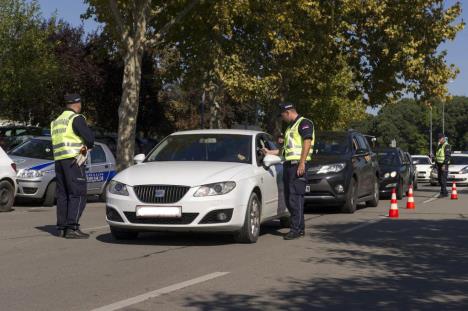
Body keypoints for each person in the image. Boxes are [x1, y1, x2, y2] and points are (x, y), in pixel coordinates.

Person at [263, 103, 314, 240]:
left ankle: (295, 229)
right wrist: (269, 152)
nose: (282, 119)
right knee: (292, 198)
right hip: (289, 165)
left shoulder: (304, 123)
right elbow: (285, 150)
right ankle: (300, 227)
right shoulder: (290, 127)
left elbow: (307, 142)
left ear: (288, 112)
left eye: (282, 116)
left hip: (297, 165)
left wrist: (302, 162)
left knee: (294, 198)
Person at [51, 93, 94, 238]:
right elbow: (90, 139)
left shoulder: (56, 121)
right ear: (77, 104)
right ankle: (72, 228)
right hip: (73, 161)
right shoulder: (76, 118)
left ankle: (62, 228)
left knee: (62, 195)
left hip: (59, 161)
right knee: (78, 193)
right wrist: (83, 150)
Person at [435, 133, 451, 198]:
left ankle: (443, 193)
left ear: (443, 138)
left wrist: (444, 164)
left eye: (440, 138)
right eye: (438, 138)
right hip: (439, 164)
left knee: (443, 179)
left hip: (444, 164)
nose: (439, 140)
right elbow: (437, 155)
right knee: (439, 179)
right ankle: (445, 192)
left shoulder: (446, 145)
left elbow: (447, 156)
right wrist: (435, 163)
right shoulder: (439, 145)